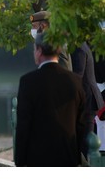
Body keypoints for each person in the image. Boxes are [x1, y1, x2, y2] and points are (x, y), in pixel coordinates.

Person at [14, 32, 86, 167]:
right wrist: (76, 157)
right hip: (68, 158)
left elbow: (23, 126)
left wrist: (20, 161)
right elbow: (80, 125)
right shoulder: (75, 81)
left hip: (37, 159)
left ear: (39, 50)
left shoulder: (28, 82)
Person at [71, 41, 105, 159]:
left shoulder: (78, 47)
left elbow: (77, 76)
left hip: (87, 101)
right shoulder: (82, 44)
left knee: (87, 146)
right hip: (89, 99)